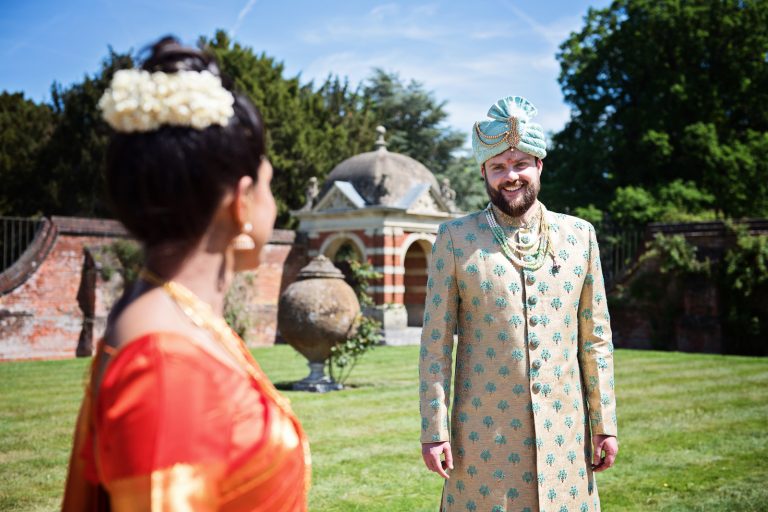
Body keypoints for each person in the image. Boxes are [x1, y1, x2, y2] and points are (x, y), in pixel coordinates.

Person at [62, 36, 310, 511]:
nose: (274, 207)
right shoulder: (163, 362)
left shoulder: (172, 320)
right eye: (269, 186)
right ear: (240, 203)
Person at [419, 96, 618, 512]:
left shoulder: (580, 237)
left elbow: (595, 341)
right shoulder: (455, 240)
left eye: (520, 164)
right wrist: (435, 431)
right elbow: (436, 344)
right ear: (484, 173)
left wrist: (604, 425)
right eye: (498, 167)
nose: (511, 176)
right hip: (482, 440)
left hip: (565, 435)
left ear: (539, 165)